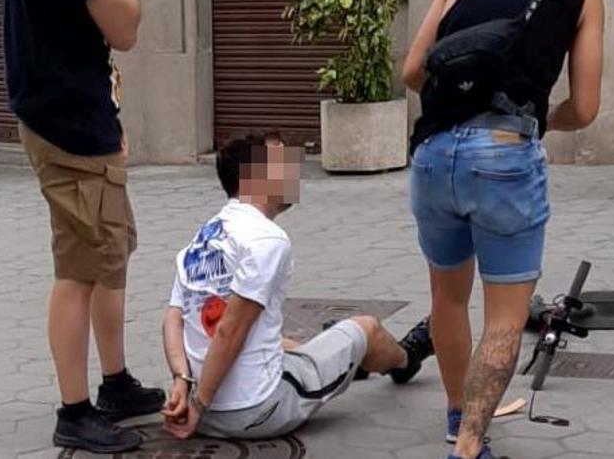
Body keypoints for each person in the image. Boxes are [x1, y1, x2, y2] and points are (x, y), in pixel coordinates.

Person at [401, 0, 605, 459]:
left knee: (447, 298)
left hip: (434, 154)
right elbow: (585, 107)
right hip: (504, 152)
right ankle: (468, 447)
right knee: (506, 318)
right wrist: (543, 120)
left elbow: (412, 70)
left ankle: (454, 415)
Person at [0, 0, 160, 453]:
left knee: (108, 251)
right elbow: (125, 24)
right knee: (79, 266)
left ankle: (115, 381)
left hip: (63, 111)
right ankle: (74, 407)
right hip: (69, 124)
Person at [160, 133, 434, 441]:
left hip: (207, 409)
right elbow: (229, 330)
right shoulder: (266, 239)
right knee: (366, 328)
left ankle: (343, 356)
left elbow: (174, 319)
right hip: (258, 409)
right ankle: (405, 360)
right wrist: (199, 405)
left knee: (285, 342)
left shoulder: (201, 240)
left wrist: (182, 384)